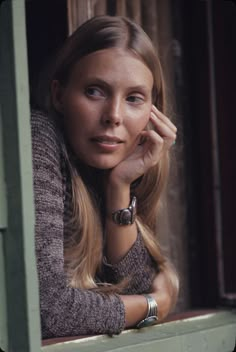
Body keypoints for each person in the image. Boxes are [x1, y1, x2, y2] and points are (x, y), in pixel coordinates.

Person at [31, 15, 179, 339]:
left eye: (133, 98)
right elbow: (46, 308)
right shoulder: (38, 137)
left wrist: (120, 185)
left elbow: (134, 283)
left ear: (153, 111)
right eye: (95, 91)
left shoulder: (109, 173)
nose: (113, 116)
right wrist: (154, 305)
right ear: (59, 95)